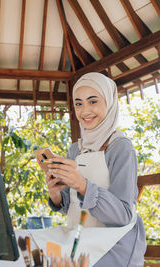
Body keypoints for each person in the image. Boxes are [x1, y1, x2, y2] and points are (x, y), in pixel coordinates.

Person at [42, 72, 146, 266]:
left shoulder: (120, 147)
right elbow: (73, 207)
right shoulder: (76, 148)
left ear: (109, 102)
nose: (85, 111)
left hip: (113, 245)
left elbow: (123, 216)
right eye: (79, 103)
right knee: (26, 248)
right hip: (79, 237)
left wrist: (82, 185)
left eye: (93, 101)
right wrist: (56, 194)